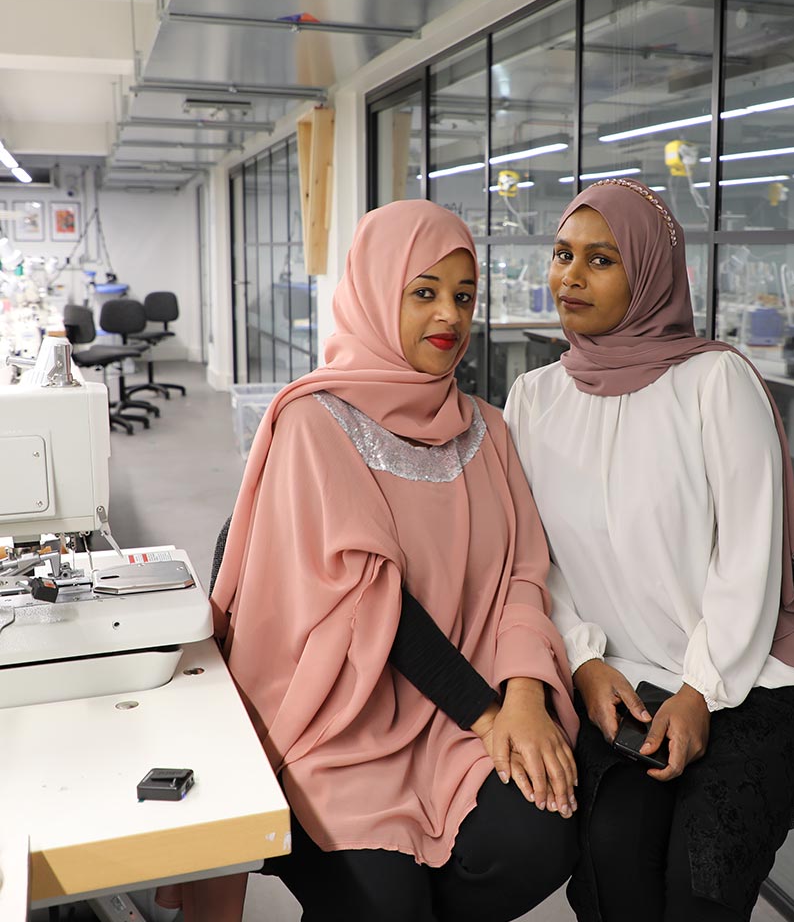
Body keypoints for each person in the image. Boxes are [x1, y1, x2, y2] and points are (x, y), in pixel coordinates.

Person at [181, 199, 579, 922]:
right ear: (374, 292)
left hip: (458, 723)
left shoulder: (488, 431)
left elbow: (525, 574)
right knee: (386, 902)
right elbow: (370, 603)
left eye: (464, 296)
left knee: (542, 838)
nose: (449, 316)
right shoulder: (312, 423)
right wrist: (491, 714)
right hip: (339, 720)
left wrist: (524, 695)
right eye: (424, 292)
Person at [503, 178, 794, 922]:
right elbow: (533, 559)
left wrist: (699, 692)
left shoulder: (716, 382)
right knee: (613, 866)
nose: (570, 276)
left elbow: (749, 558)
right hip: (617, 680)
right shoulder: (533, 399)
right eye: (562, 254)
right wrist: (582, 660)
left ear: (651, 273)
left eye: (601, 259)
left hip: (744, 675)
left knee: (698, 882)